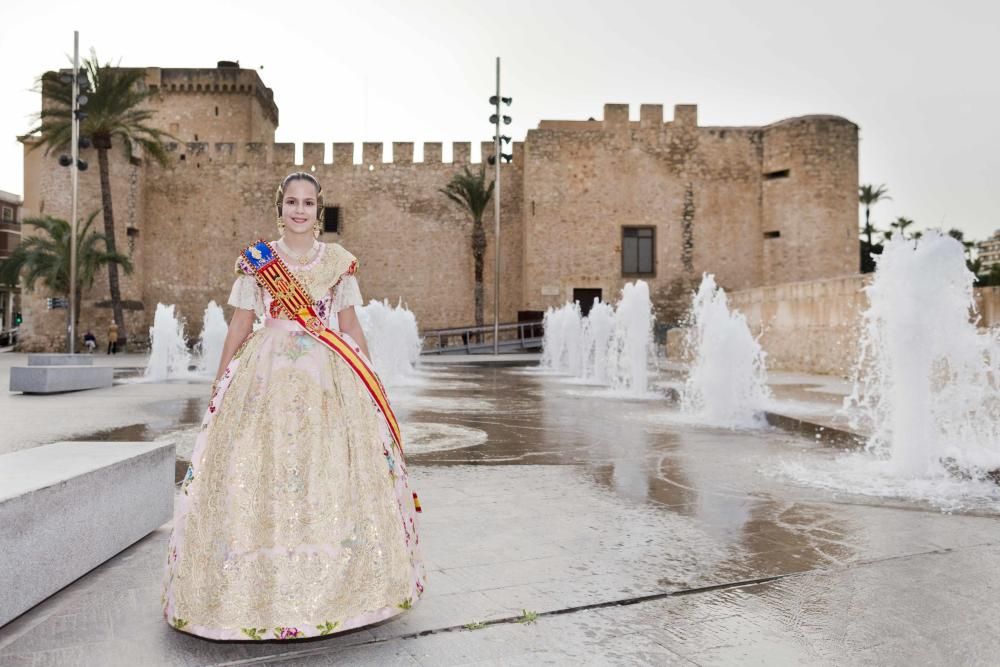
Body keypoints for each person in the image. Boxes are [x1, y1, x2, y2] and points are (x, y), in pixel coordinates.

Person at [161, 172, 424, 641]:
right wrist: (221, 381)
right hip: (266, 375)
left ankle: (335, 586)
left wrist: (371, 380)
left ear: (317, 211)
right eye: (291, 202)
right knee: (262, 465)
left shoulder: (338, 263)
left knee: (326, 467)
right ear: (278, 208)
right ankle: (253, 583)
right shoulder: (257, 263)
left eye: (307, 203)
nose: (299, 210)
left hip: (328, 374)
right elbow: (241, 325)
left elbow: (349, 327)